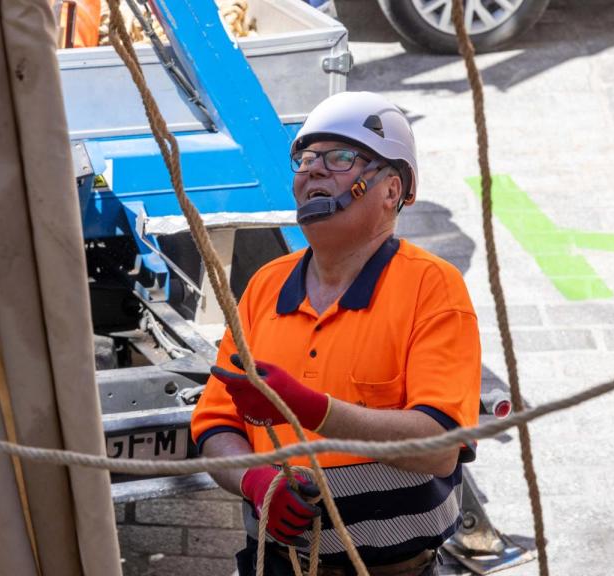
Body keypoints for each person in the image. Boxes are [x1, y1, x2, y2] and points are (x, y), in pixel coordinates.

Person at [191, 91, 481, 576]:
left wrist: (312, 409)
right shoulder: (265, 286)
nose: (313, 170)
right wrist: (256, 481)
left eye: (340, 157)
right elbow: (214, 426)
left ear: (392, 190)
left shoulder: (431, 288)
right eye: (305, 159)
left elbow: (439, 447)